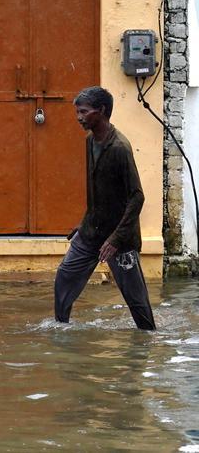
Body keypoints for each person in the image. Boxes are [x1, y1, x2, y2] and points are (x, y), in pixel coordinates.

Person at [54, 86, 156, 330]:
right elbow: (98, 190)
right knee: (65, 276)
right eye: (77, 112)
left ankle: (148, 339)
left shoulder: (120, 148)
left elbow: (137, 197)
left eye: (84, 112)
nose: (79, 117)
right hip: (91, 231)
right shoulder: (90, 141)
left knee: (135, 298)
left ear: (101, 111)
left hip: (119, 238)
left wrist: (116, 239)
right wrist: (85, 221)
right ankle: (60, 330)